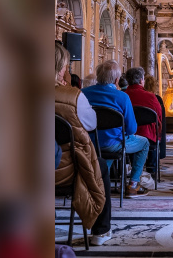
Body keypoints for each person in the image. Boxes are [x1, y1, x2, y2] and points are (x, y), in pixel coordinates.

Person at [54, 43, 110, 244]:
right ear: (61, 68)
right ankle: (100, 231)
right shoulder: (73, 96)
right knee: (100, 167)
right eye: (66, 66)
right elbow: (91, 124)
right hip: (64, 169)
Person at [82, 60, 151, 197]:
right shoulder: (122, 97)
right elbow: (131, 129)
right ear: (117, 79)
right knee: (144, 143)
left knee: (109, 142)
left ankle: (98, 181)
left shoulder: (83, 93)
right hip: (113, 144)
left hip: (87, 142)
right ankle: (133, 185)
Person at [123, 67, 164, 176]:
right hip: (148, 135)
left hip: (127, 136)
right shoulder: (151, 97)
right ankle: (152, 170)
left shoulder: (123, 96)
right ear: (141, 80)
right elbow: (159, 117)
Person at [143, 75, 167, 164]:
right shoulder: (157, 99)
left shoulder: (140, 98)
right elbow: (161, 120)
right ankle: (152, 168)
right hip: (153, 133)